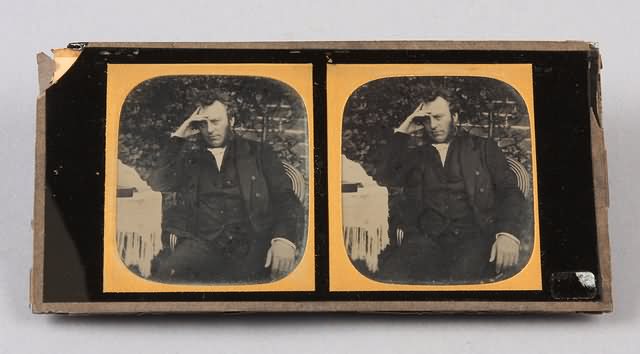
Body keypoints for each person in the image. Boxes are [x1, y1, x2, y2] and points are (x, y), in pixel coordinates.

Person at [146, 100, 304, 283]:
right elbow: (157, 183)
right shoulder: (192, 158)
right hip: (201, 244)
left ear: (232, 120)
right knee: (165, 276)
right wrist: (179, 136)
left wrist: (283, 240)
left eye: (215, 121)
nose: (210, 130)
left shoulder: (259, 153)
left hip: (252, 244)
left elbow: (285, 199)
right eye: (203, 124)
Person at [378, 89, 526, 283]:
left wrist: (507, 233)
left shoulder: (482, 147)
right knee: (390, 277)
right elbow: (384, 176)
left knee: (461, 283)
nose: (433, 126)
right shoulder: (416, 156)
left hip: (474, 238)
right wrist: (404, 130)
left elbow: (510, 192)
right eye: (426, 120)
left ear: (454, 117)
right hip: (424, 240)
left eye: (439, 117)